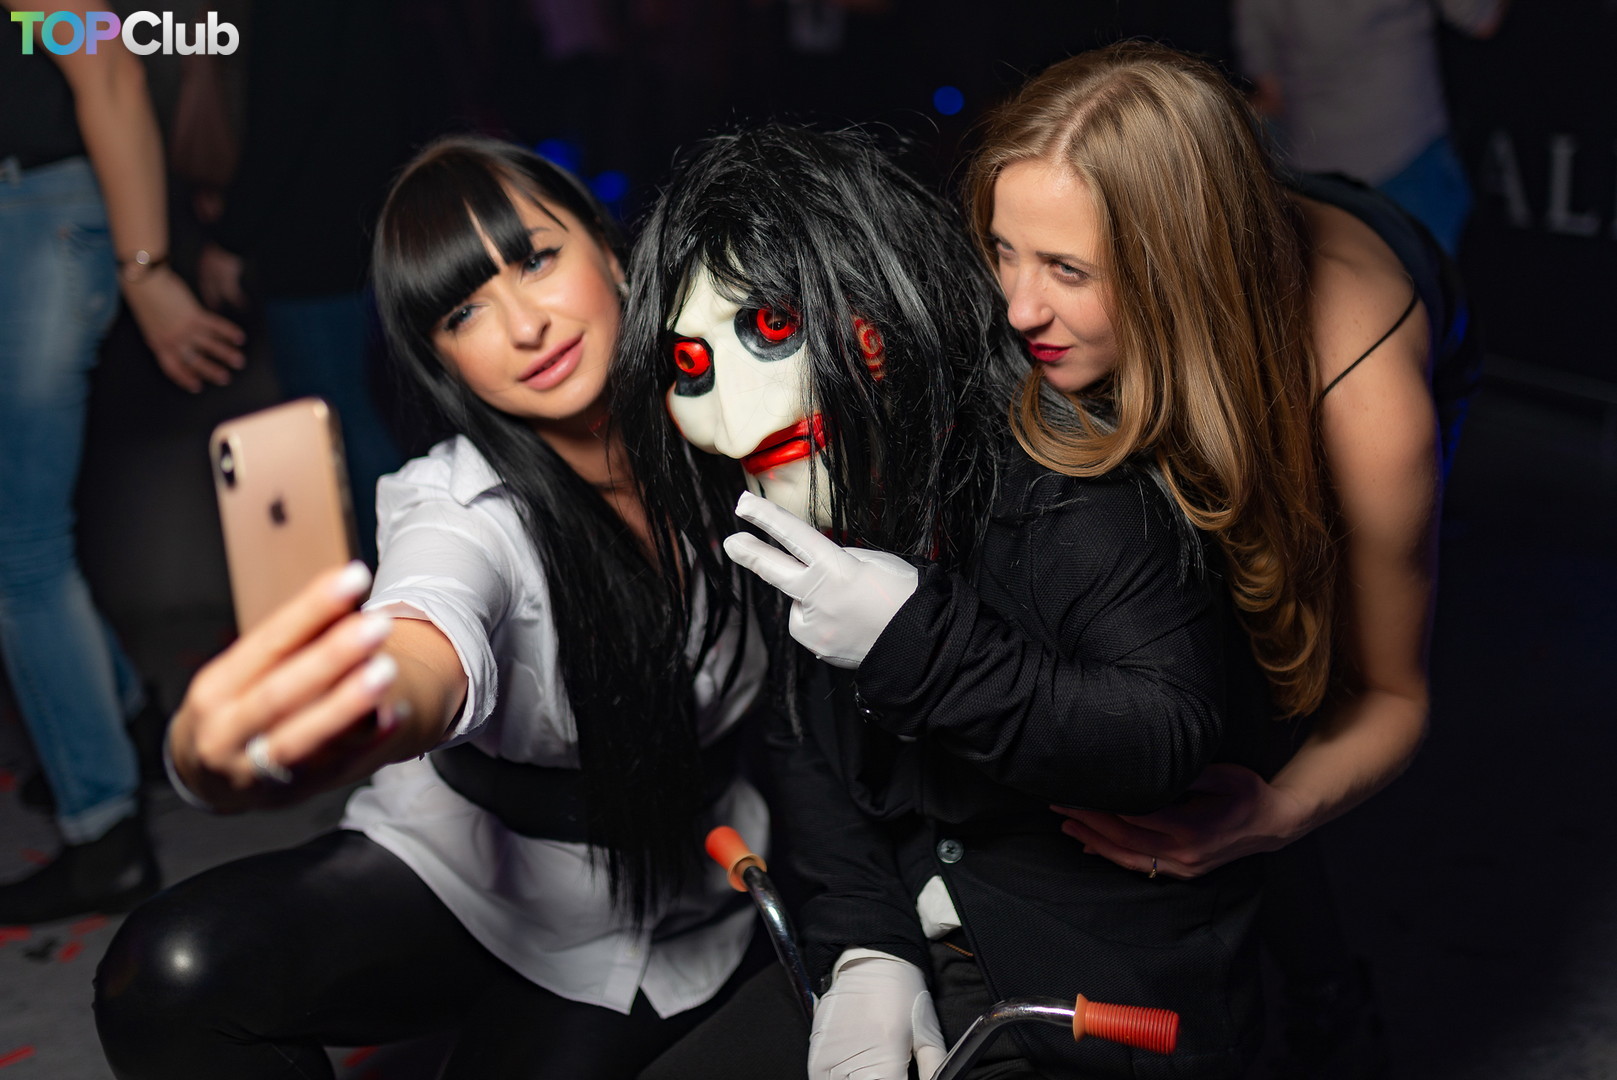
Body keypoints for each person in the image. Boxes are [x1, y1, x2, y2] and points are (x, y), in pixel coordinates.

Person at [93, 136, 768, 1080]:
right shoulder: (456, 503)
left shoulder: (740, 423)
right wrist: (359, 709)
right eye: (465, 310)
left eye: (536, 259)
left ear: (611, 252)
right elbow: (429, 630)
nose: (526, 325)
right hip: (461, 874)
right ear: (442, 358)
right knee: (167, 971)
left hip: (677, 905)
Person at [617, 125, 1276, 1080]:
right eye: (690, 367)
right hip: (923, 936)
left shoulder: (1064, 478)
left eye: (773, 327)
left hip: (1089, 980)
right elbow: (803, 742)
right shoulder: (781, 502)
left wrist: (918, 648)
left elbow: (1159, 734)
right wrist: (864, 947)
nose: (736, 422)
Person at [962, 42, 1468, 1074]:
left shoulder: (1369, 409)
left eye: (1066, 272)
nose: (1018, 309)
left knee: (1279, 676)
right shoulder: (1055, 269)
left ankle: (1330, 996)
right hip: (1236, 235)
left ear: (1171, 269)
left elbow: (1394, 698)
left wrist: (1274, 815)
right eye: (1004, 253)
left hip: (1379, 270)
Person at [0, 0, 246, 925]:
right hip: (27, 218)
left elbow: (107, 61)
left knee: (22, 551)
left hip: (34, 220)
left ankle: (103, 833)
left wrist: (147, 272)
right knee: (23, 542)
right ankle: (124, 723)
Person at [1234, 0, 1511, 253]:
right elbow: (1481, 17)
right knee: (1430, 286)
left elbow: (1271, 92)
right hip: (1406, 157)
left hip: (1317, 177)